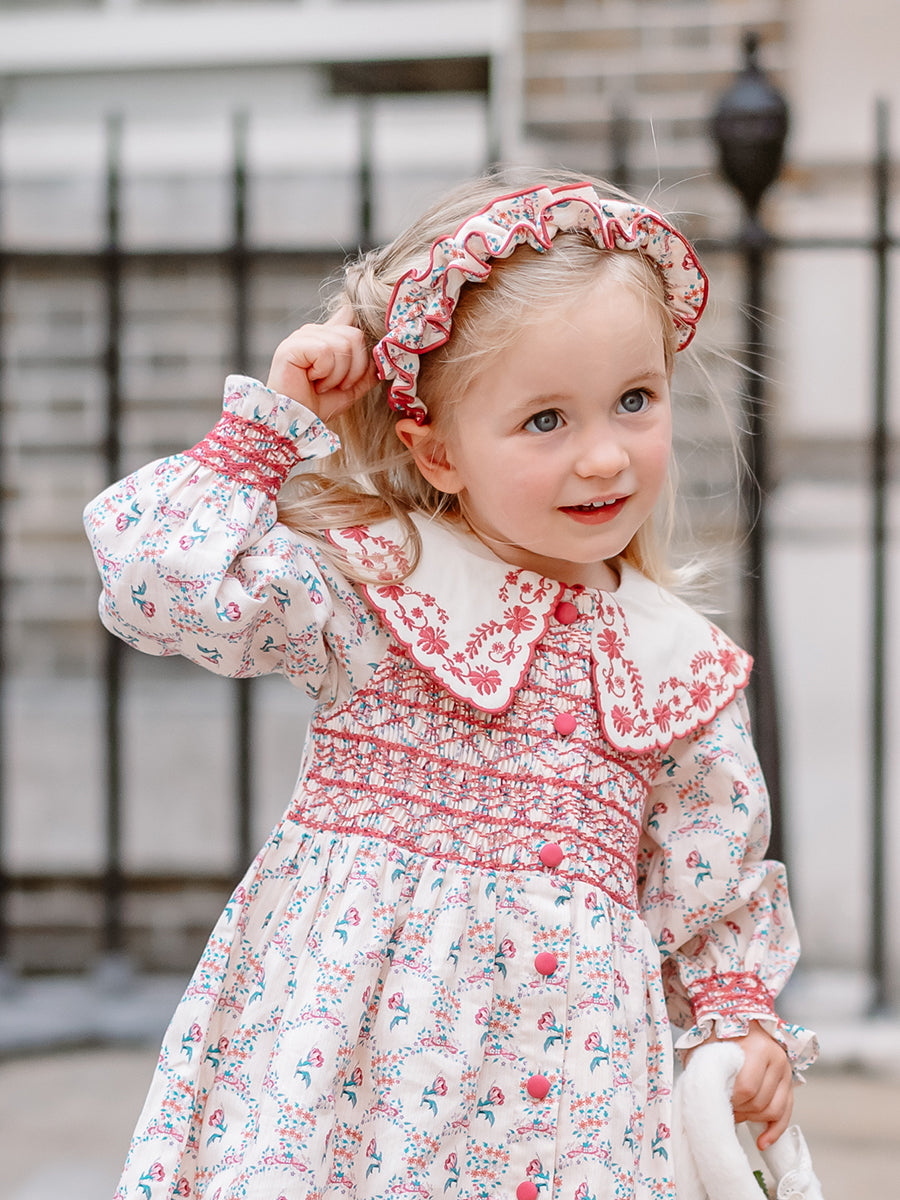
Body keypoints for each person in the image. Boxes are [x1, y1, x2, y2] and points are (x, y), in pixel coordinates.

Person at [85, 171, 817, 1200]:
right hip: (343, 1090)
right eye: (545, 420)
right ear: (435, 450)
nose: (603, 456)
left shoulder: (675, 664)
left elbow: (714, 892)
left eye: (634, 401)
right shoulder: (382, 591)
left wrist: (743, 1026)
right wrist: (269, 428)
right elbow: (157, 586)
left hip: (566, 1120)